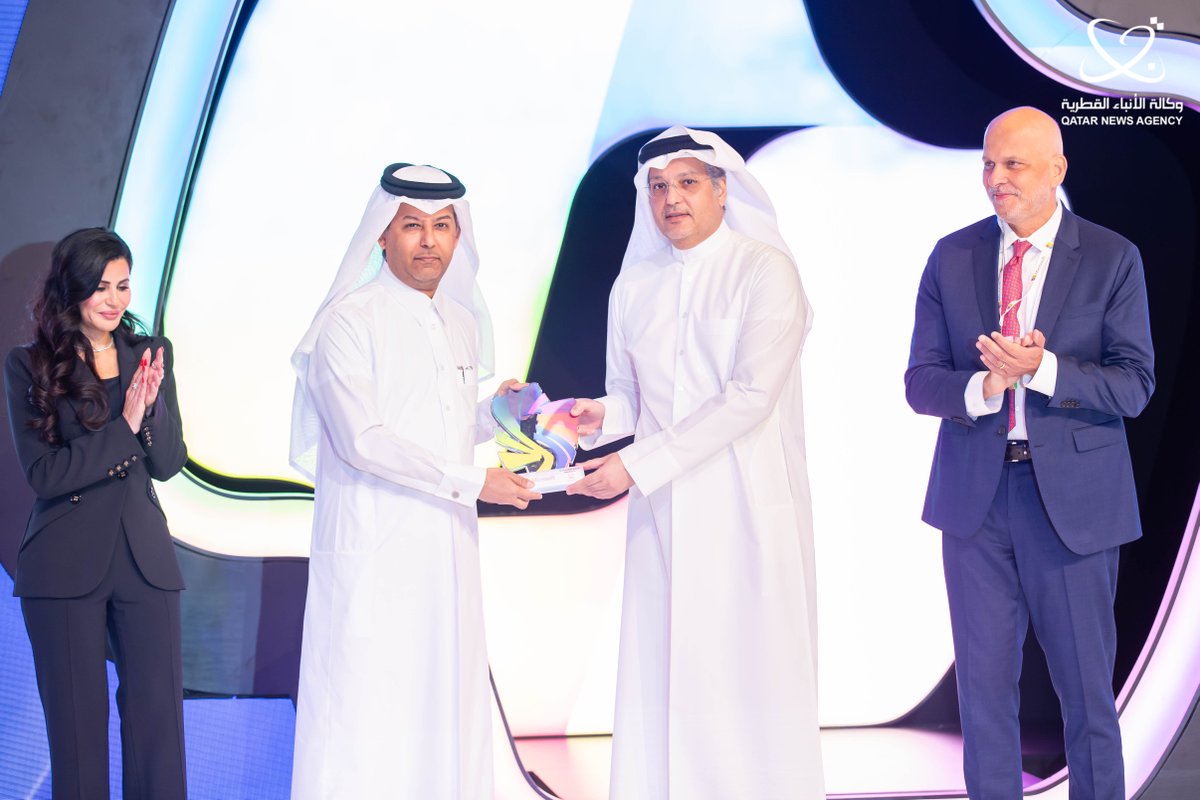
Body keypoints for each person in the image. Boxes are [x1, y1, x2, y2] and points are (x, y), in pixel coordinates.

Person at [905, 106, 1154, 800]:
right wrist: (985, 384)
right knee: (982, 699)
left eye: (1012, 164)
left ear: (1057, 170)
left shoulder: (1111, 257)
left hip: (1072, 509)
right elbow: (920, 382)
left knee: (1086, 697)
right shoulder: (950, 257)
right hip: (976, 506)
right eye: (988, 163)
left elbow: (1134, 385)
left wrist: (1042, 370)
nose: (995, 179)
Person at [567, 127, 824, 799]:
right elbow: (632, 395)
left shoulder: (764, 269)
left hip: (743, 505)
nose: (671, 199)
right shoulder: (635, 285)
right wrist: (600, 417)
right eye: (658, 186)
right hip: (664, 512)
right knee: (664, 674)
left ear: (720, 188)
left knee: (744, 675)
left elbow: (750, 397)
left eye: (686, 183)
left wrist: (636, 465)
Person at [288, 163, 540, 799]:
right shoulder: (348, 321)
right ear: (382, 235)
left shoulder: (458, 321)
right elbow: (362, 440)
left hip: (444, 553)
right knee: (367, 714)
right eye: (412, 226)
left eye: (442, 226)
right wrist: (472, 482)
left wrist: (497, 414)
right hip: (376, 555)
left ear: (458, 237)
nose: (429, 241)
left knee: (443, 711)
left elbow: (442, 426)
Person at [3, 228, 189, 799]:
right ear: (73, 289)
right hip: (64, 566)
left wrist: (149, 411)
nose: (114, 299)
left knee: (159, 728)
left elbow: (168, 462)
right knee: (79, 738)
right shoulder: (30, 364)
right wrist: (124, 425)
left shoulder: (150, 355)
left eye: (123, 285)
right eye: (100, 286)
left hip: (144, 560)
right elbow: (46, 475)